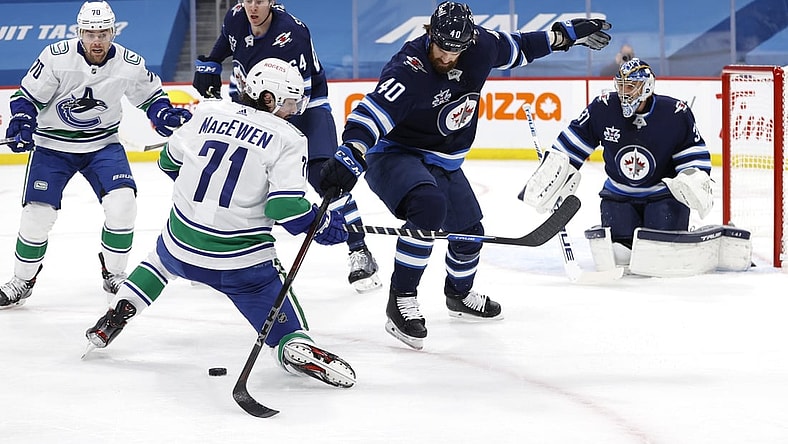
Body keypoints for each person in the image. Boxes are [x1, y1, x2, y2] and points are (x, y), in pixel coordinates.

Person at [318, 1, 612, 350]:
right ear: (430, 34)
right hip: (395, 154)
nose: (446, 57)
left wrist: (566, 36)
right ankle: (401, 300)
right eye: (441, 47)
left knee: (469, 232)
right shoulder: (409, 68)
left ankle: (458, 295)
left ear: (469, 41)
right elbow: (372, 113)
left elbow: (521, 47)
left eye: (455, 50)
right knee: (427, 208)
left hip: (443, 161)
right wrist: (351, 150)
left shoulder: (481, 46)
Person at [85, 58, 356, 388]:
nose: (291, 111)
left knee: (159, 259)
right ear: (268, 98)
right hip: (242, 267)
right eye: (287, 102)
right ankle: (291, 344)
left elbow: (168, 161)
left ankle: (116, 313)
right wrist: (322, 223)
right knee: (278, 314)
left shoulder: (207, 112)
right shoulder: (289, 137)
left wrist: (200, 198)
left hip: (181, 244)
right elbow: (284, 206)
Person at [0, 1, 191, 309]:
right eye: (90, 33)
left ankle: (114, 273)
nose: (97, 41)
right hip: (53, 146)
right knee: (37, 215)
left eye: (103, 33)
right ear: (79, 33)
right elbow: (26, 97)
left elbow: (152, 97)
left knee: (123, 204)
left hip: (102, 145)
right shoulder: (56, 57)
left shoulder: (129, 63)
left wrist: (164, 114)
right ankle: (23, 280)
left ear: (113, 32)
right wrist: (21, 120)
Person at [192, 0, 381, 294]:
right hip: (254, 107)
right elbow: (221, 50)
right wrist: (210, 66)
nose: (253, 8)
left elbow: (294, 101)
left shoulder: (292, 34)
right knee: (243, 180)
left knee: (326, 177)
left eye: (260, 1)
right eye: (247, 0)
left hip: (302, 106)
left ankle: (359, 249)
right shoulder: (236, 18)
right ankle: (234, 255)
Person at [522, 57, 712, 268]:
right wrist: (552, 175)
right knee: (619, 256)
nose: (624, 93)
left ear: (646, 87)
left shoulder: (675, 113)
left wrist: (694, 179)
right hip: (619, 196)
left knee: (660, 256)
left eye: (631, 86)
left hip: (662, 197)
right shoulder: (604, 108)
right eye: (621, 86)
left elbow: (693, 155)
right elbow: (572, 144)